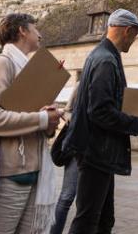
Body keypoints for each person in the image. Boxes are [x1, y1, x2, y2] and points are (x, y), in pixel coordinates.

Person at [0, 13, 62, 234]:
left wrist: (49, 123)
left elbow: (30, 119)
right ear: (22, 30)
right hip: (6, 173)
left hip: (33, 170)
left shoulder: (28, 69)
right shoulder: (2, 64)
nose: (39, 33)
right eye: (34, 27)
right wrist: (41, 119)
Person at [62, 8, 138, 234]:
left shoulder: (103, 54)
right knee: (88, 219)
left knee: (104, 219)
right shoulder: (106, 60)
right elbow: (100, 111)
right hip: (96, 151)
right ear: (127, 30)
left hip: (99, 151)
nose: (135, 40)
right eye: (136, 34)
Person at [50, 89, 79, 234]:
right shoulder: (81, 85)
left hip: (97, 150)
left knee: (87, 202)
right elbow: (67, 111)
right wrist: (74, 120)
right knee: (67, 196)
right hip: (76, 149)